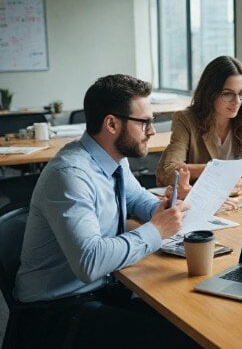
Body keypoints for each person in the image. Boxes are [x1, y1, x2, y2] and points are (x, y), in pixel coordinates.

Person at [14, 74, 199, 347]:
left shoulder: (114, 159)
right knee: (180, 338)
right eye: (144, 122)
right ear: (111, 124)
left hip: (102, 292)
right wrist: (157, 229)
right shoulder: (70, 175)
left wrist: (166, 207)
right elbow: (90, 262)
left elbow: (137, 200)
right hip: (56, 313)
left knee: (187, 320)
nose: (151, 132)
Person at [156, 56, 242, 200]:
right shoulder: (186, 119)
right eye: (227, 94)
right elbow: (169, 171)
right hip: (198, 200)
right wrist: (218, 170)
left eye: (241, 93)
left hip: (233, 199)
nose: (237, 101)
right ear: (210, 93)